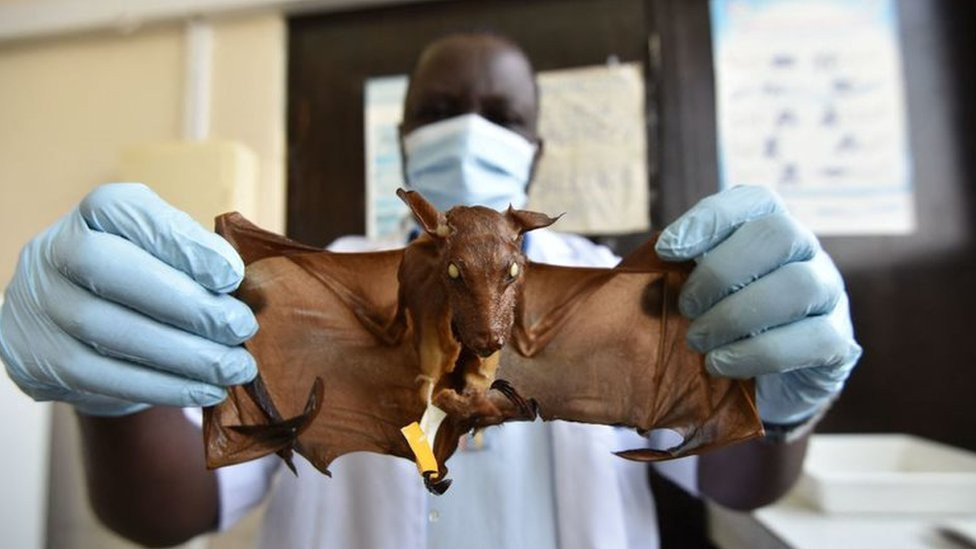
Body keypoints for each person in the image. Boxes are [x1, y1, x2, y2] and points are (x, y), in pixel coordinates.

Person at [0, 33, 861, 549]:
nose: (473, 126)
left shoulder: (618, 290)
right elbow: (167, 509)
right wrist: (109, 394)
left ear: (534, 150)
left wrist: (779, 409)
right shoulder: (309, 286)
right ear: (405, 137)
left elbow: (740, 487)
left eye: (503, 112)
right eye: (444, 105)